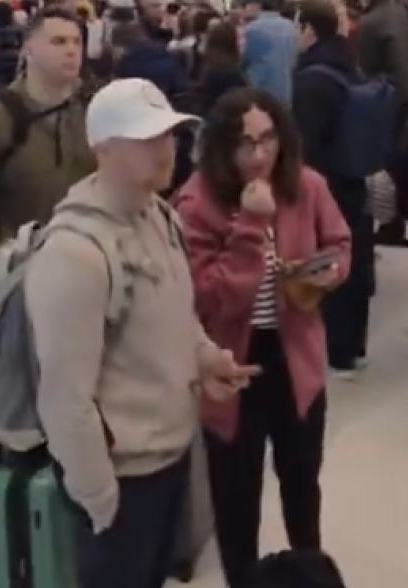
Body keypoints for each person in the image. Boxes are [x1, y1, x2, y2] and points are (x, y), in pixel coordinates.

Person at [25, 78, 256, 588]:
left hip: (170, 453)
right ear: (103, 150)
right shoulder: (75, 253)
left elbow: (177, 315)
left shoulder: (160, 215)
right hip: (122, 477)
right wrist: (99, 498)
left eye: (169, 136)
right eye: (145, 139)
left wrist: (205, 358)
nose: (164, 150)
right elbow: (64, 398)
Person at [174, 87, 351, 588]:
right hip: (232, 366)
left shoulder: (307, 186)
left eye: (268, 139)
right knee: (236, 497)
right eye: (245, 143)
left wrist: (327, 272)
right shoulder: (196, 202)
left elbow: (340, 242)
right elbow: (213, 298)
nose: (259, 155)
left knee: (301, 484)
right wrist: (252, 223)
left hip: (297, 360)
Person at [0, 8, 96, 259]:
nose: (71, 51)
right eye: (58, 42)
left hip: (91, 258)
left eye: (77, 42)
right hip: (22, 264)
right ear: (28, 49)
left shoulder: (92, 110)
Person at [291, 0, 375, 378]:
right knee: (354, 257)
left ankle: (332, 344)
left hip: (325, 182)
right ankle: (352, 344)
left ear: (308, 30)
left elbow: (307, 141)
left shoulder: (312, 77)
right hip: (356, 176)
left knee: (327, 261)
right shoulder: (352, 66)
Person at [241, 0, 299, 104]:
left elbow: (243, 60)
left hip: (260, 92)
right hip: (288, 91)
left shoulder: (252, 29)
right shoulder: (291, 27)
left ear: (257, 6)